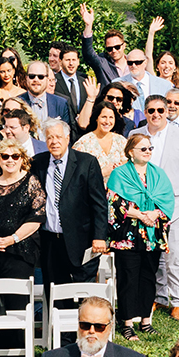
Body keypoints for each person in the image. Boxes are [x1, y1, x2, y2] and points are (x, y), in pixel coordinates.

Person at [137, 95, 179, 322]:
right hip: (145, 207)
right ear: (145, 112)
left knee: (174, 253)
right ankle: (159, 296)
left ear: (166, 112)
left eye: (160, 111)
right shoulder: (136, 135)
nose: (156, 115)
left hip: (175, 205)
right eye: (151, 110)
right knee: (153, 255)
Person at [32, 119, 110, 294]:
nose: (54, 141)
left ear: (67, 138)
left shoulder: (86, 163)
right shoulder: (38, 163)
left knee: (85, 292)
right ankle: (58, 321)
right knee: (56, 293)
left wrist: (99, 236)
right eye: (50, 137)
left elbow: (99, 204)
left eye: (58, 137)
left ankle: (85, 322)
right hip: (50, 241)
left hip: (82, 240)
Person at [107, 131, 173, 336]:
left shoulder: (158, 173)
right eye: (143, 149)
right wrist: (140, 215)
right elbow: (113, 202)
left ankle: (145, 320)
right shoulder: (120, 174)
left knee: (148, 277)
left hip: (151, 236)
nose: (147, 152)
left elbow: (167, 200)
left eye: (150, 148)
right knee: (128, 278)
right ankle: (127, 323)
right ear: (130, 152)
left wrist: (154, 213)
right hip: (127, 237)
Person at [0, 143, 45, 305]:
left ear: (22, 159)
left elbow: (36, 218)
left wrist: (11, 239)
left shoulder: (31, 182)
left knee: (16, 306)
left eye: (15, 156)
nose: (10, 160)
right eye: (5, 156)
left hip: (19, 253)